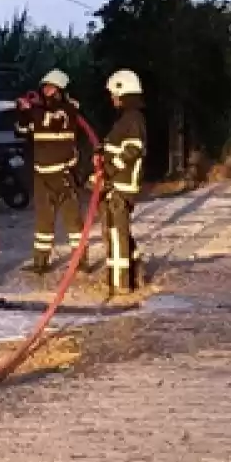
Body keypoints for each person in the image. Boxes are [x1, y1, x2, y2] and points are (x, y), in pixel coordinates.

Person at [15, 69, 87, 275]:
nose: (46, 91)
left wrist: (32, 109)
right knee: (43, 221)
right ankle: (40, 263)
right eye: (44, 87)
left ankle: (81, 260)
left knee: (72, 220)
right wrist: (21, 112)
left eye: (50, 88)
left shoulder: (67, 111)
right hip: (42, 175)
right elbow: (22, 130)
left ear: (60, 91)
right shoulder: (38, 114)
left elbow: (50, 119)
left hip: (63, 174)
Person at [94, 69, 147, 296]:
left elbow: (133, 149)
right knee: (114, 232)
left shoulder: (132, 119)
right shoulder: (126, 119)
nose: (112, 99)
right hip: (116, 182)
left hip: (122, 185)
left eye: (114, 95)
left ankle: (121, 283)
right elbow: (118, 147)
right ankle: (134, 272)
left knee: (117, 234)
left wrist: (109, 168)